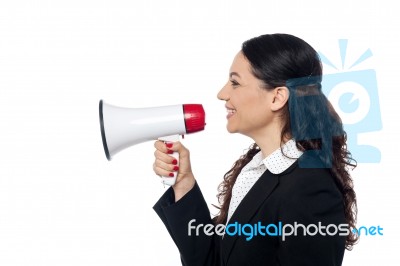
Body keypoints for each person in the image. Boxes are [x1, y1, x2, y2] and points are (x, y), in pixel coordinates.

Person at [152, 33, 358, 265]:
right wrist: (184, 183)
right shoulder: (256, 170)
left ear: (277, 97)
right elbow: (215, 260)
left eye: (235, 83)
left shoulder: (311, 189)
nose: (222, 94)